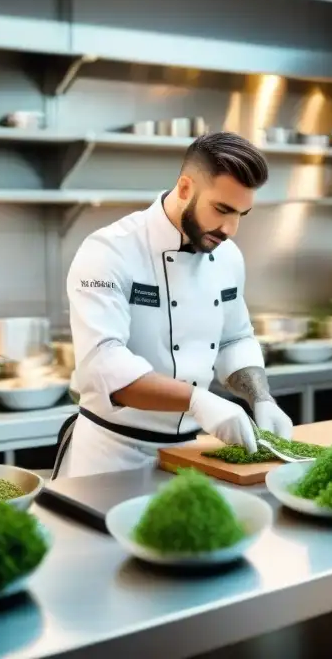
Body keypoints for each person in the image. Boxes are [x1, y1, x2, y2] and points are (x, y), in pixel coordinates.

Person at [52, 132, 293, 479]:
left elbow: (234, 339)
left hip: (189, 456)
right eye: (222, 209)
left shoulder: (227, 257)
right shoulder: (109, 251)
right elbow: (103, 366)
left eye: (242, 213)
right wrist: (199, 401)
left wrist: (261, 398)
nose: (231, 229)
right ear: (184, 188)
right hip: (110, 457)